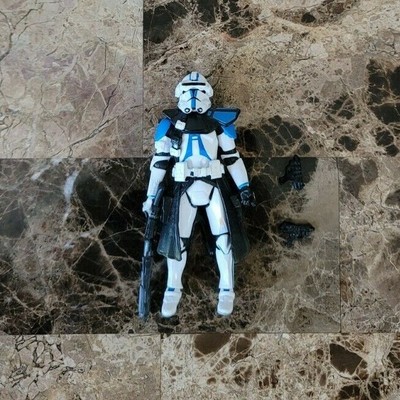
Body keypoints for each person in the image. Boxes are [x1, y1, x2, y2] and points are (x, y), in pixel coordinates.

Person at [142, 72, 255, 318]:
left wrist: (244, 187)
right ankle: (173, 289)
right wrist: (150, 198)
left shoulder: (219, 123)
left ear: (208, 93)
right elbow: (159, 163)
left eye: (200, 89)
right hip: (183, 187)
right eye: (188, 90)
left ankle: (227, 289)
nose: (194, 96)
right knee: (177, 240)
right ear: (179, 94)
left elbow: (232, 157)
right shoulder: (170, 125)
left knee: (224, 237)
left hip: (213, 185)